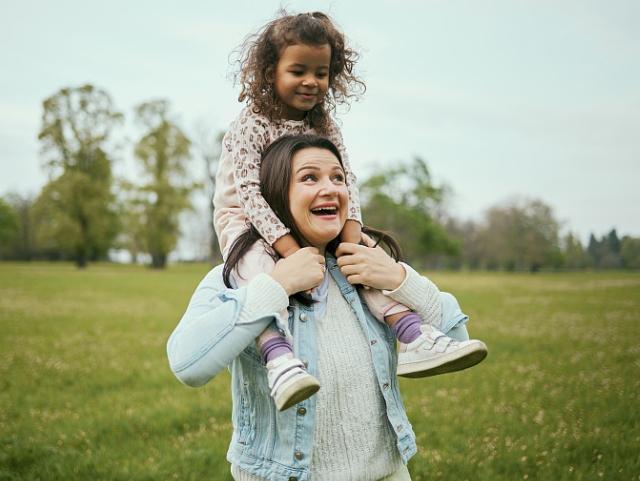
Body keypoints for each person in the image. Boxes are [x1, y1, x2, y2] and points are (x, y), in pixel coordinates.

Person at [168, 135, 486, 481]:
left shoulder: (366, 270)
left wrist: (399, 277)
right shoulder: (240, 275)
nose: (331, 188)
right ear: (275, 195)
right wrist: (277, 286)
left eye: (339, 178)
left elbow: (457, 336)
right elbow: (187, 364)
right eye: (309, 177)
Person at [213, 11, 487, 410]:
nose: (311, 81)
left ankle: (413, 335)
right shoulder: (251, 123)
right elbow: (251, 194)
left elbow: (347, 180)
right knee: (258, 272)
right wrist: (290, 252)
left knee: (361, 259)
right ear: (271, 71)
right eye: (298, 70)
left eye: (321, 72)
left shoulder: (324, 124)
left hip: (303, 217)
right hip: (244, 216)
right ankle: (279, 358)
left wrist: (352, 231)